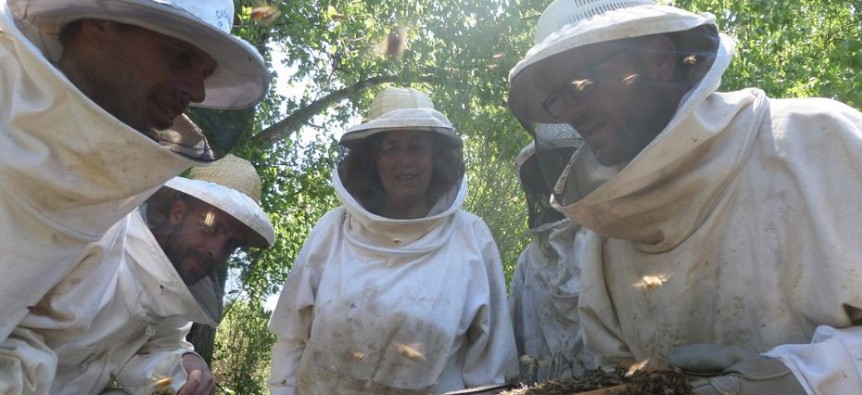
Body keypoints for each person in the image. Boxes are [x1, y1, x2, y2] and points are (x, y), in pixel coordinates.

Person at [507, 0, 862, 394]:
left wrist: (803, 378)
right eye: (557, 98)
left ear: (659, 58)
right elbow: (619, 372)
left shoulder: (820, 142)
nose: (570, 111)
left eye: (581, 84)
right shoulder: (608, 230)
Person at [0, 0, 269, 347]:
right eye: (180, 55)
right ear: (100, 21)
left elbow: (39, 340)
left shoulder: (112, 206)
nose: (198, 92)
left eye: (203, 73)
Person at [268, 87, 518, 394]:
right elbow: (291, 340)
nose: (405, 161)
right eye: (391, 148)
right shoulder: (331, 231)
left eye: (417, 147)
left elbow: (491, 364)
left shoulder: (472, 237)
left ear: (436, 159)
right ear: (371, 161)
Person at [6, 154, 275, 395]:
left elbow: (142, 360)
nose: (215, 252)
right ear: (178, 212)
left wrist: (180, 373)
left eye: (231, 245)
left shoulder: (176, 292)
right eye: (210, 227)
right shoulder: (101, 237)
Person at [508, 126, 597, 384]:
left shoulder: (607, 241)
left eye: (561, 170)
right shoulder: (529, 260)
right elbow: (513, 341)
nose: (554, 182)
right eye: (546, 174)